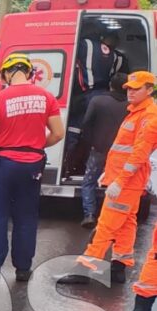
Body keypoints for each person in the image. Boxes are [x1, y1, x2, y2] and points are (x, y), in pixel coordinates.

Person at [0, 53, 65, 283]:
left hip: (4, 164)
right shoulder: (46, 97)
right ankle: (23, 268)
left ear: (6, 74)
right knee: (26, 216)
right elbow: (58, 133)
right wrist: (35, 146)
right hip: (32, 164)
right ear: (30, 73)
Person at [58, 71, 157, 287]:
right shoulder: (137, 112)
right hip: (125, 179)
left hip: (127, 182)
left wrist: (120, 180)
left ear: (149, 90)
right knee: (126, 224)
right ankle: (119, 267)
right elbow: (124, 150)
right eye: (129, 88)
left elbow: (139, 154)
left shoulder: (149, 117)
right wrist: (110, 174)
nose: (130, 92)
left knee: (105, 226)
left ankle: (84, 270)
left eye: (136, 88)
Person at [76, 72, 129, 228]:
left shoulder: (97, 101)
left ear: (110, 85)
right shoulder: (132, 105)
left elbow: (86, 124)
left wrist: (90, 143)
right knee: (117, 184)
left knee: (89, 181)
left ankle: (89, 215)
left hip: (98, 149)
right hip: (122, 154)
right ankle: (113, 218)